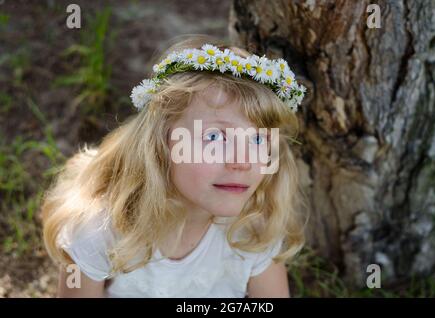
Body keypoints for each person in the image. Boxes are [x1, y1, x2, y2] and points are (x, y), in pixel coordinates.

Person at [40, 35, 307, 298]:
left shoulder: (253, 229)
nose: (242, 161)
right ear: (160, 142)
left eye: (258, 139)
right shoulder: (99, 232)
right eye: (214, 137)